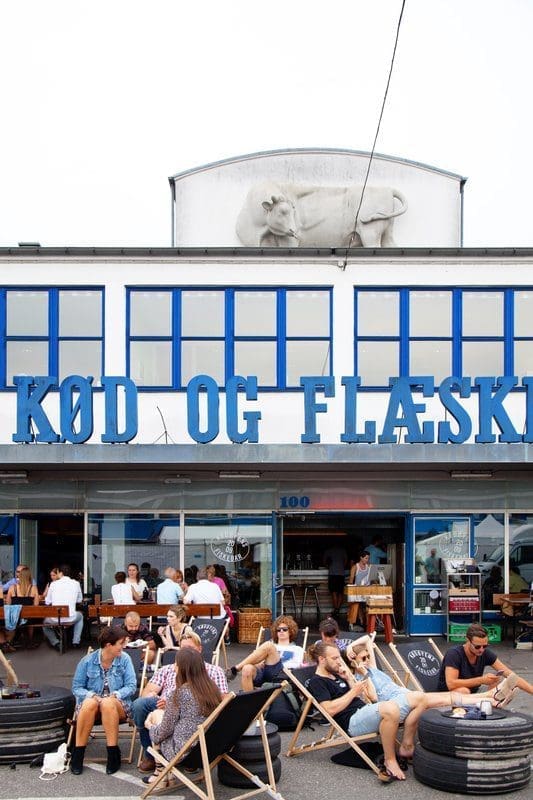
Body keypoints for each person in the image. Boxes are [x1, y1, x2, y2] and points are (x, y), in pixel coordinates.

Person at [343, 635, 514, 724]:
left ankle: (491, 698)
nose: (367, 660)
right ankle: (491, 698)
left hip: (405, 694)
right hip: (394, 703)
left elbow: (367, 640)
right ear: (354, 662)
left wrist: (350, 646)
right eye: (363, 658)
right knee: (443, 699)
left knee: (443, 698)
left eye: (367, 657)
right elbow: (373, 698)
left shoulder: (372, 667)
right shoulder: (359, 678)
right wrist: (362, 672)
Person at [307, 641, 415, 782]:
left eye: (339, 657)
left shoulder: (337, 675)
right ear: (321, 660)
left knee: (413, 702)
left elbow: (362, 696)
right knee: (390, 709)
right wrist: (353, 692)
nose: (339, 661)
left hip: (363, 711)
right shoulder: (317, 681)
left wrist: (349, 680)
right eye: (335, 658)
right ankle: (390, 760)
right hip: (352, 722)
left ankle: (405, 749)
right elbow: (328, 710)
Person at [132, 630, 228, 773]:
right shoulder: (167, 670)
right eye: (182, 649)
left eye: (190, 649)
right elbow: (147, 692)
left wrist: (152, 724)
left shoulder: (213, 671)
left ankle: (160, 764)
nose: (185, 653)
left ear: (199, 650)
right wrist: (157, 698)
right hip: (168, 707)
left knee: (157, 718)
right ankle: (150, 755)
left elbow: (223, 701)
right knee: (140, 705)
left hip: (189, 720)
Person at [142, 647, 223, 785]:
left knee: (156, 717)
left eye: (176, 664)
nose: (174, 667)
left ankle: (160, 775)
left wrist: (150, 727)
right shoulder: (212, 690)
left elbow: (162, 732)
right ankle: (165, 776)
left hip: (184, 752)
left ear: (182, 668)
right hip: (210, 748)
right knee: (162, 718)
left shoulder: (179, 694)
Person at [70, 626, 137, 776]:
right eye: (121, 643)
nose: (124, 646)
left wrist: (116, 695)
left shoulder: (125, 659)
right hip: (93, 707)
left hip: (118, 705)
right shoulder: (87, 661)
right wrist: (92, 695)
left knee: (107, 703)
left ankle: (113, 752)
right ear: (109, 645)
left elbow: (131, 686)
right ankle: (78, 753)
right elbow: (77, 688)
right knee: (88, 702)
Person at [437, 623, 533, 695]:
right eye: (477, 647)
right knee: (464, 691)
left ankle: (491, 706)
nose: (481, 650)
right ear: (467, 640)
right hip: (449, 693)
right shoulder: (454, 654)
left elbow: (510, 675)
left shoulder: (485, 653)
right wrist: (481, 680)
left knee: (497, 680)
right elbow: (451, 684)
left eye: (485, 646)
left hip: (473, 691)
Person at [226, 614, 304, 691]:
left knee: (268, 645)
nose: (281, 631)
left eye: (284, 629)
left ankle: (235, 669)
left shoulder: (297, 649)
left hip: (282, 674)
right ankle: (249, 701)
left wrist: (278, 663)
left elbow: (296, 666)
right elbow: (256, 661)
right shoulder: (270, 645)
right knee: (247, 668)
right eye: (278, 629)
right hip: (265, 671)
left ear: (290, 631)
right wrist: (258, 664)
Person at [43, 564, 84, 650]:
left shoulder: (53, 584)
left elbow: (47, 602)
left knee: (45, 624)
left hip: (55, 618)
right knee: (80, 617)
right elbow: (80, 600)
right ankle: (75, 641)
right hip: (70, 617)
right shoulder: (76, 583)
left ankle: (56, 643)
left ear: (60, 573)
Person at [5, 565, 39, 649]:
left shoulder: (12, 588)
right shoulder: (33, 588)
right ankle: (30, 640)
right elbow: (36, 605)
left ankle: (13, 640)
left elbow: (8, 604)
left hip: (15, 618)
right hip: (29, 619)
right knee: (32, 616)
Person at [323, 543, 347, 616]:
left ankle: (336, 609)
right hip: (341, 574)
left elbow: (324, 561)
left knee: (334, 592)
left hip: (332, 574)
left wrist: (329, 567)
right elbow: (346, 560)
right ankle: (338, 609)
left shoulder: (328, 551)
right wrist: (342, 567)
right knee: (340, 592)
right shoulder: (343, 550)